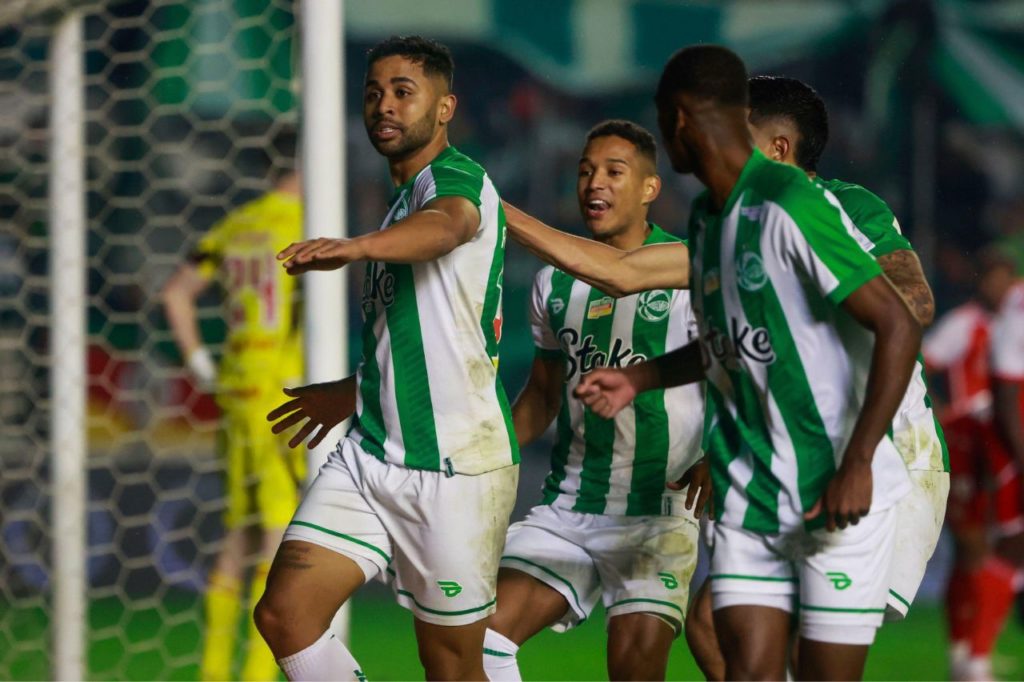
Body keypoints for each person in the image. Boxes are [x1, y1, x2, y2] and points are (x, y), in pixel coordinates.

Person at [503, 44, 920, 680]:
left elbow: (898, 320)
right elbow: (727, 336)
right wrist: (639, 376)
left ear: (679, 119)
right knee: (736, 661)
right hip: (752, 489)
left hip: (831, 485)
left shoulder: (791, 200)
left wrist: (859, 460)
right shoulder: (706, 218)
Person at [254, 36, 519, 681]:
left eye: (404, 92)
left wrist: (359, 245)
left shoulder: (456, 180)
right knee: (284, 616)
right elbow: (422, 336)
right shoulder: (401, 201)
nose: (384, 105)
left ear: (445, 106)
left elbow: (450, 226)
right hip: (372, 452)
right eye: (374, 93)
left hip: (454, 466)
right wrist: (353, 390)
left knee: (451, 668)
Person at [681, 75, 950, 681]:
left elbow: (914, 305)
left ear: (777, 149)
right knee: (710, 625)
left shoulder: (847, 208)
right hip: (790, 455)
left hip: (887, 450)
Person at [481, 120, 708, 682]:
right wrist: (480, 451)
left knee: (633, 670)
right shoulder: (552, 285)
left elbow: (737, 367)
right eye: (585, 172)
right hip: (571, 507)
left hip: (659, 509)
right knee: (479, 641)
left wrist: (717, 449)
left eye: (613, 171)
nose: (593, 184)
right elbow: (540, 399)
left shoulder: (690, 269)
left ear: (650, 189)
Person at [161, 128, 303, 681]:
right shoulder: (304, 228)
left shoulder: (238, 225)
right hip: (281, 393)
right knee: (276, 533)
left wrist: (202, 365)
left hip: (236, 389)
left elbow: (176, 293)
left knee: (237, 533)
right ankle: (257, 676)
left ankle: (213, 671)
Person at [926, 248, 1024, 681]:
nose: (997, 287)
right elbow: (924, 364)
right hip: (968, 436)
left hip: (997, 436)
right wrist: (941, 412)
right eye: (992, 279)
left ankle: (972, 651)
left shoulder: (1007, 322)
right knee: (971, 545)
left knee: (989, 545)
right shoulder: (962, 323)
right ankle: (965, 651)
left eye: (1005, 279)